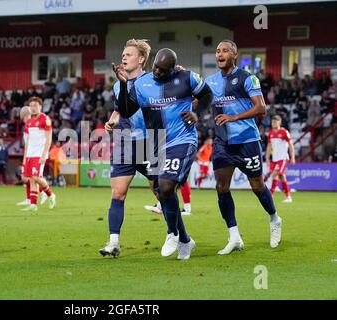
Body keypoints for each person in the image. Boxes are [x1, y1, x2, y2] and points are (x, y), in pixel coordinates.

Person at [115, 48, 213, 260]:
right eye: (155, 67)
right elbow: (125, 110)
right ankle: (185, 240)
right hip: (157, 142)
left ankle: (173, 233)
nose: (157, 71)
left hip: (182, 140)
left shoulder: (187, 78)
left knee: (167, 186)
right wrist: (124, 86)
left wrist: (198, 113)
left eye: (162, 69)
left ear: (172, 70)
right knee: (162, 191)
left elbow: (207, 94)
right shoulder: (142, 84)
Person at [205, 40, 282, 255]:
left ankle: (274, 218)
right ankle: (234, 236)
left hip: (247, 141)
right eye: (217, 51)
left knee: (257, 186)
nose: (220, 54)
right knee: (221, 187)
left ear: (235, 55)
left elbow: (261, 108)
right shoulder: (210, 81)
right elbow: (195, 96)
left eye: (225, 51)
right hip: (223, 143)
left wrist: (233, 117)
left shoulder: (248, 78)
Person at [98, 39, 158, 258]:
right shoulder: (117, 84)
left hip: (149, 141)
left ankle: (179, 236)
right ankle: (113, 242)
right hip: (124, 141)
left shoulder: (152, 80)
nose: (124, 57)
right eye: (123, 54)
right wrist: (112, 121)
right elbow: (118, 111)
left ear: (141, 59)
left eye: (129, 54)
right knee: (118, 193)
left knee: (162, 191)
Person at [21, 97, 56, 211]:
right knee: (31, 178)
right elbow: (27, 143)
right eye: (31, 106)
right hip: (30, 154)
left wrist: (44, 154)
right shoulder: (29, 122)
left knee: (35, 177)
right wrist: (25, 158)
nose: (33, 108)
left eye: (35, 105)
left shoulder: (45, 119)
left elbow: (48, 139)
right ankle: (33, 205)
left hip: (39, 154)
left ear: (40, 106)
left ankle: (50, 194)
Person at [266, 115, 295, 202]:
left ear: (280, 122)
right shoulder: (270, 133)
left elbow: (290, 144)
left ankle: (270, 195)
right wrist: (267, 157)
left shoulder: (284, 132)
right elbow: (269, 145)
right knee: (282, 176)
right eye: (272, 122)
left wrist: (292, 156)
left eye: (275, 121)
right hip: (275, 158)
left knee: (275, 174)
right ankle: (288, 196)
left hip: (283, 158)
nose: (273, 123)